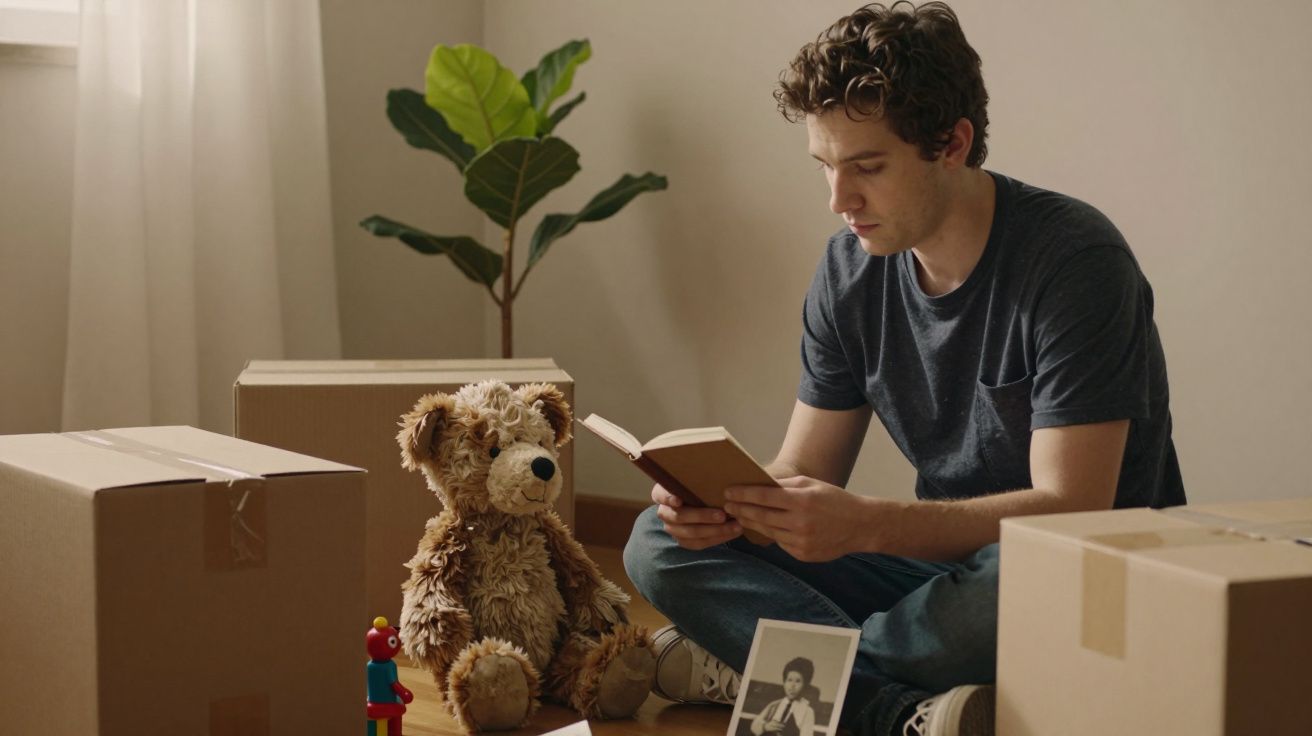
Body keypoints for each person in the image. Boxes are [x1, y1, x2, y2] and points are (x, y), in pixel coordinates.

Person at [624, 2, 1185, 736]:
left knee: (994, 602)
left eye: (867, 167)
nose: (838, 200)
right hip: (930, 574)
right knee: (655, 545)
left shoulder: (1076, 262)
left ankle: (771, 667)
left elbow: (1072, 509)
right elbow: (805, 468)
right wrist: (725, 506)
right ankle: (893, 712)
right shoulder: (847, 272)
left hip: (1077, 571)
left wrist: (872, 526)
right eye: (825, 166)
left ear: (952, 144)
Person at [751, 657, 817, 736]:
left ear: (805, 685)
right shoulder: (775, 705)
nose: (792, 686)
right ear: (784, 682)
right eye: (789, 680)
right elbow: (754, 725)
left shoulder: (807, 711)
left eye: (798, 681)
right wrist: (765, 726)